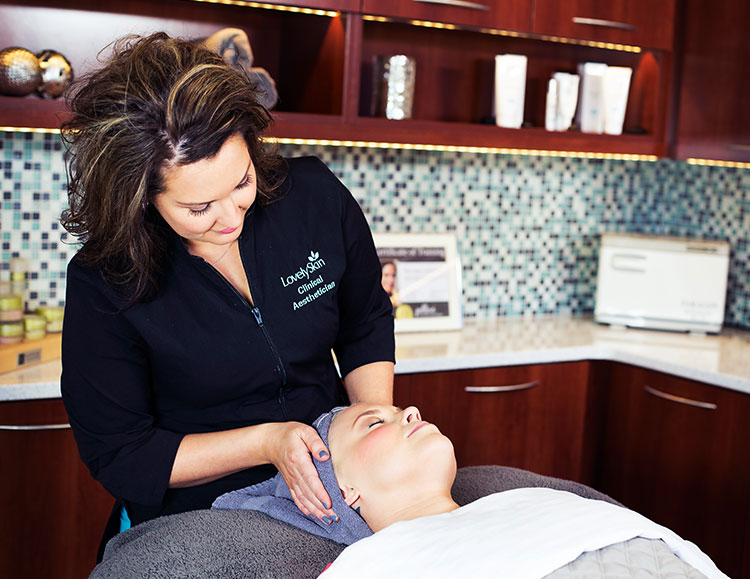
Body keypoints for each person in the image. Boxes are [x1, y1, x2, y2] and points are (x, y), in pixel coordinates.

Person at [58, 31, 395, 551]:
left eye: (241, 182)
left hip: (335, 484)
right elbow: (122, 453)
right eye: (198, 208)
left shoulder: (312, 198)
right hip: (203, 513)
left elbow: (365, 320)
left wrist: (373, 432)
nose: (230, 217)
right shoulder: (106, 280)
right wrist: (268, 441)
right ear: (140, 198)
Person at [319, 404, 728, 578]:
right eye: (374, 424)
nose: (410, 410)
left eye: (398, 410)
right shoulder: (363, 567)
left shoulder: (533, 499)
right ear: (344, 488)